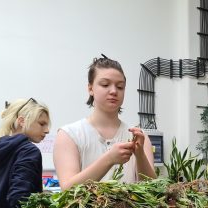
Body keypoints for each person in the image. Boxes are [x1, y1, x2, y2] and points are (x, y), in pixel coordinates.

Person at [54, 55, 156, 190]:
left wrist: (140, 154)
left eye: (120, 87)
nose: (114, 91)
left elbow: (153, 189)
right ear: (90, 88)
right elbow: (67, 190)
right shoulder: (69, 135)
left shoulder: (139, 136)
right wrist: (109, 159)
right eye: (105, 84)